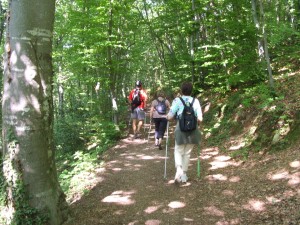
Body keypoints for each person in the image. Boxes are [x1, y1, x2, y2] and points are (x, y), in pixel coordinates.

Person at [166, 82, 203, 183]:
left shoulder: (177, 101)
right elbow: (200, 119)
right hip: (193, 129)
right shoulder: (196, 101)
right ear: (191, 90)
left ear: (181, 90)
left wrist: (168, 117)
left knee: (178, 150)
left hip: (180, 128)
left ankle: (179, 170)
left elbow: (170, 116)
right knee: (187, 152)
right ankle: (184, 175)